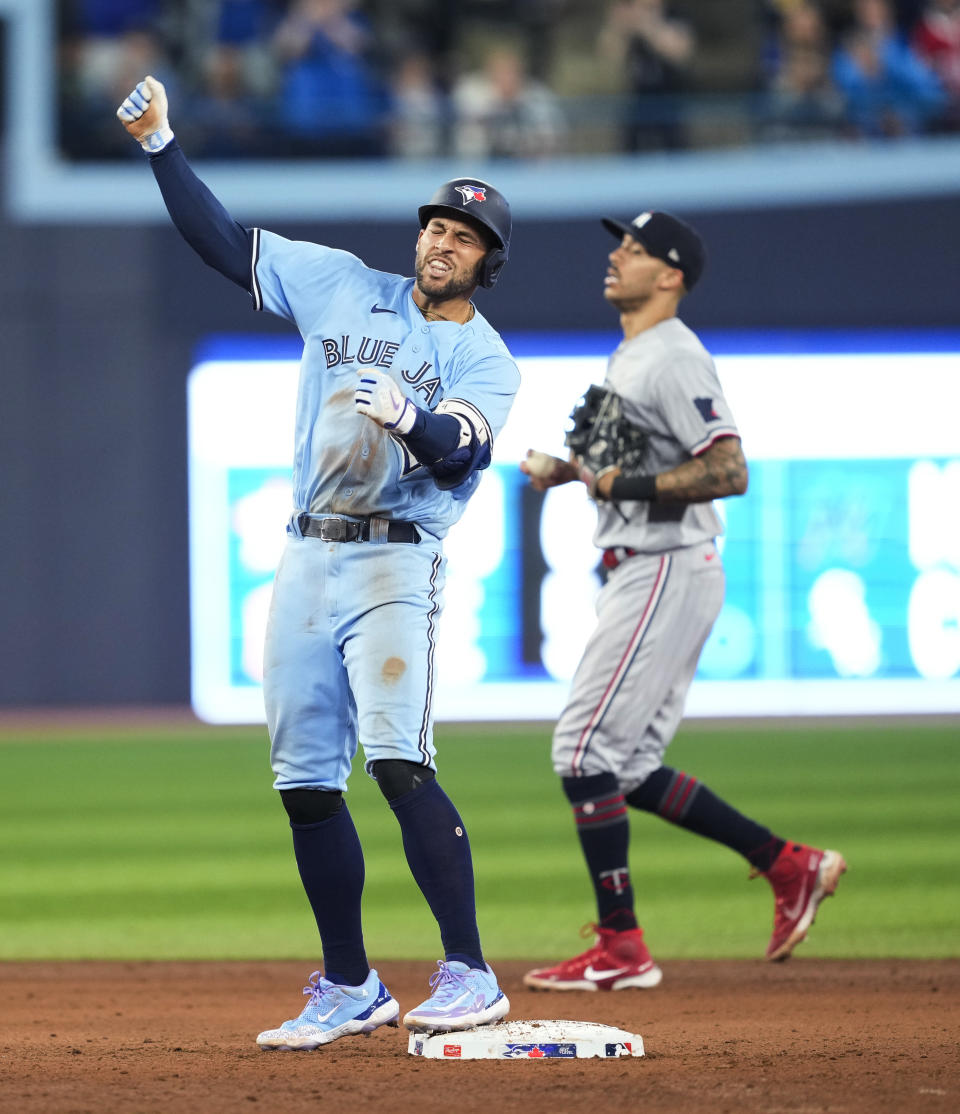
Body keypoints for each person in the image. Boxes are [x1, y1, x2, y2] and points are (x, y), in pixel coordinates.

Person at [117, 76, 517, 1045]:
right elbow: (224, 245)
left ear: (486, 260)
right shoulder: (341, 280)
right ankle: (351, 983)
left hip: (394, 562)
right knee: (303, 779)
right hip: (306, 553)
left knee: (396, 758)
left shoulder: (487, 359)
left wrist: (409, 417)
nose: (439, 242)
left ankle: (469, 968)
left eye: (461, 236)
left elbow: (462, 447)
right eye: (434, 226)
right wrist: (163, 144)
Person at [519, 210, 846, 991]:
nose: (615, 256)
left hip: (664, 563)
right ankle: (787, 864)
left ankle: (622, 947)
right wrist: (574, 470)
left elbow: (729, 469)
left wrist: (616, 483)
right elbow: (630, 466)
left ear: (670, 275)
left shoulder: (672, 357)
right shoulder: (635, 353)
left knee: (582, 750)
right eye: (617, 244)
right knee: (625, 764)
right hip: (651, 564)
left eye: (633, 250)